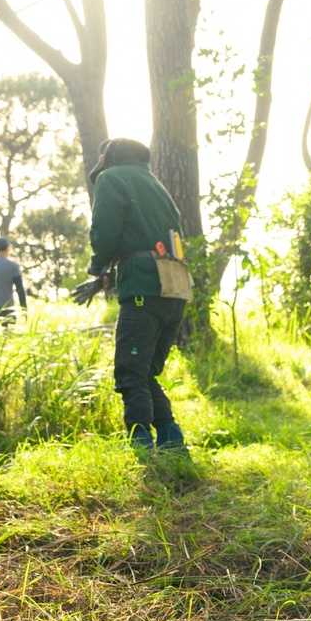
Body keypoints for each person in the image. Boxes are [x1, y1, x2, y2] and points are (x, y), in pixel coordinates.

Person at [85, 137, 191, 452]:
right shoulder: (156, 186)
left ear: (109, 158)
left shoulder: (110, 178)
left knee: (130, 372)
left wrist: (97, 267)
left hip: (143, 288)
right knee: (145, 371)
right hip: (175, 288)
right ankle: (172, 441)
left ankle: (141, 446)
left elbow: (104, 230)